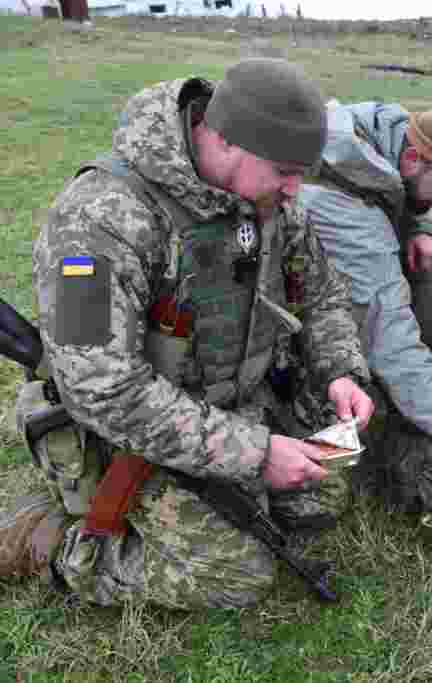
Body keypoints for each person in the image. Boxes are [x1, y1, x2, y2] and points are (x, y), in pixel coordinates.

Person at [0, 59, 374, 609]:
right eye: (286, 171)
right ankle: (43, 538)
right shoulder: (97, 220)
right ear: (223, 140)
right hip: (133, 433)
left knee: (319, 500)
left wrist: (342, 370)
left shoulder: (269, 201)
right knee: (235, 573)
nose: (297, 190)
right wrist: (255, 454)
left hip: (240, 404)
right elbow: (101, 390)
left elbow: (321, 292)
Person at [297, 101, 432, 515]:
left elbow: (403, 183)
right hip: (291, 317)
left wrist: (419, 226)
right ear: (411, 159)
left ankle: (427, 377)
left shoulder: (388, 130)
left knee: (416, 260)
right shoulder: (348, 212)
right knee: (362, 416)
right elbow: (388, 337)